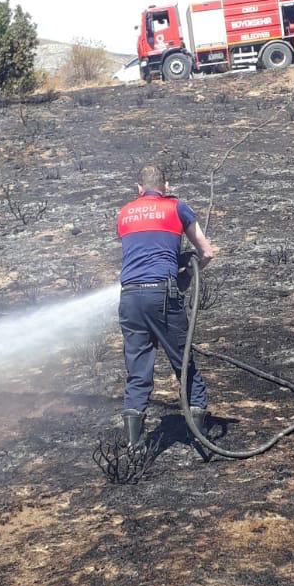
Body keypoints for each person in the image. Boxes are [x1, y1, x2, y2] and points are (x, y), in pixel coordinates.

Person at [116, 164, 215, 449]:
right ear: (166, 186)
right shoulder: (176, 207)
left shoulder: (124, 213)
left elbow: (142, 249)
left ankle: (134, 447)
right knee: (183, 362)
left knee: (137, 370)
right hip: (162, 295)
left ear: (139, 189)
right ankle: (199, 437)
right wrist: (186, 274)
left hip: (130, 297)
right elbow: (207, 253)